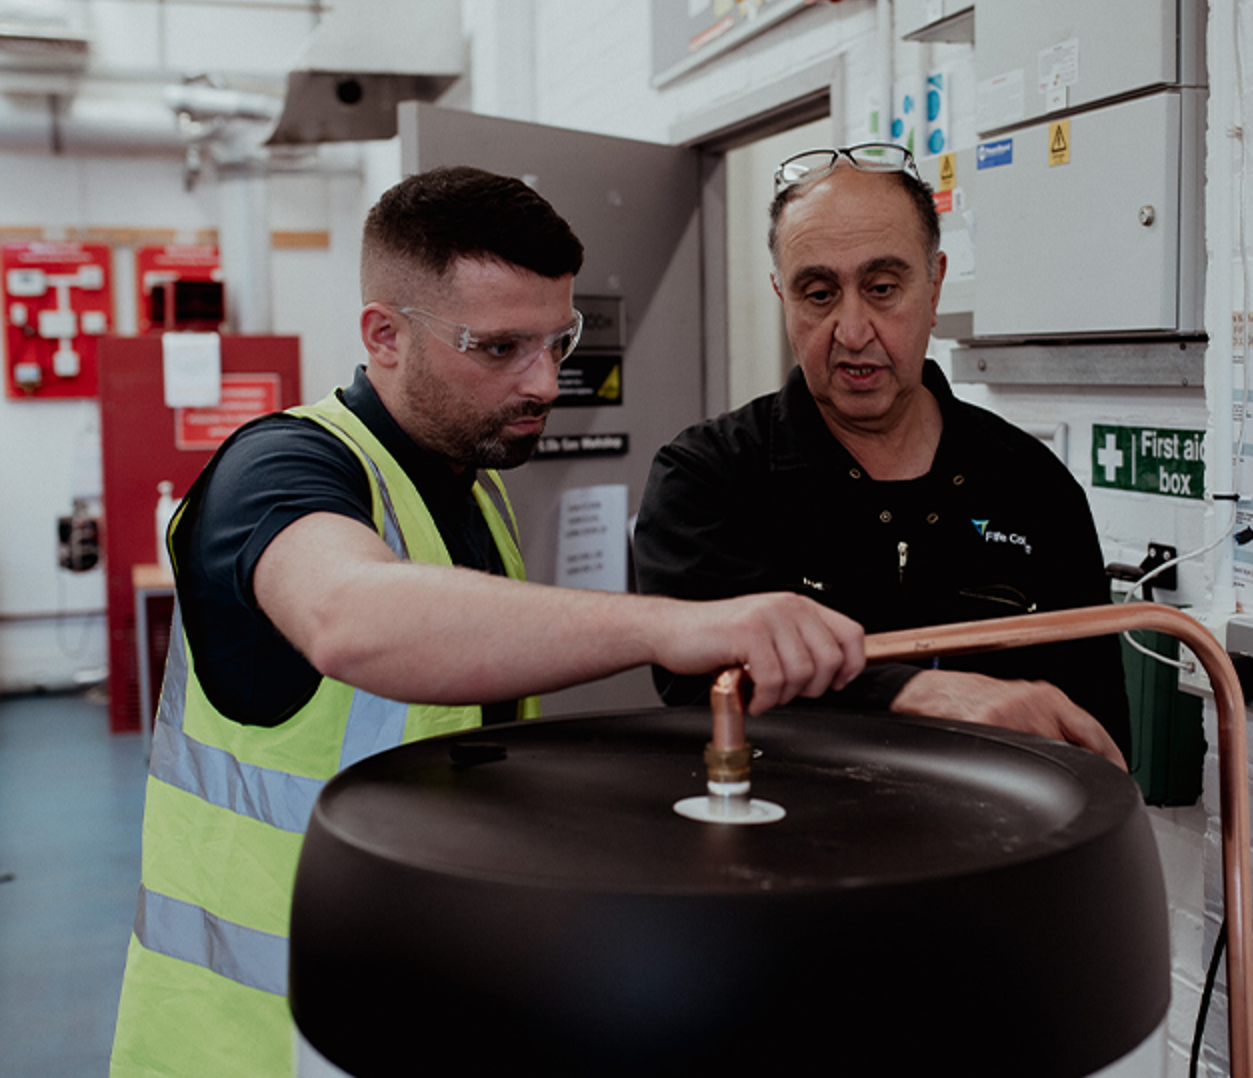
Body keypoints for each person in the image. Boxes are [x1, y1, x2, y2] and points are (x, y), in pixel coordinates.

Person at [109, 166, 865, 1078]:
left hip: (403, 1003)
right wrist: (673, 626)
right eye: (499, 347)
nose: (545, 382)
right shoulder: (278, 469)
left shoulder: (475, 488)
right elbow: (352, 617)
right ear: (383, 335)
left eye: (558, 341)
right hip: (253, 1042)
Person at [633, 144, 1130, 768]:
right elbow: (700, 686)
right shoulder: (708, 479)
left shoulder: (1033, 488)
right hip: (787, 851)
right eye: (818, 293)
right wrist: (916, 694)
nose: (852, 330)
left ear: (936, 284)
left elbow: (1098, 737)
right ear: (782, 296)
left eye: (883, 287)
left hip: (991, 853)